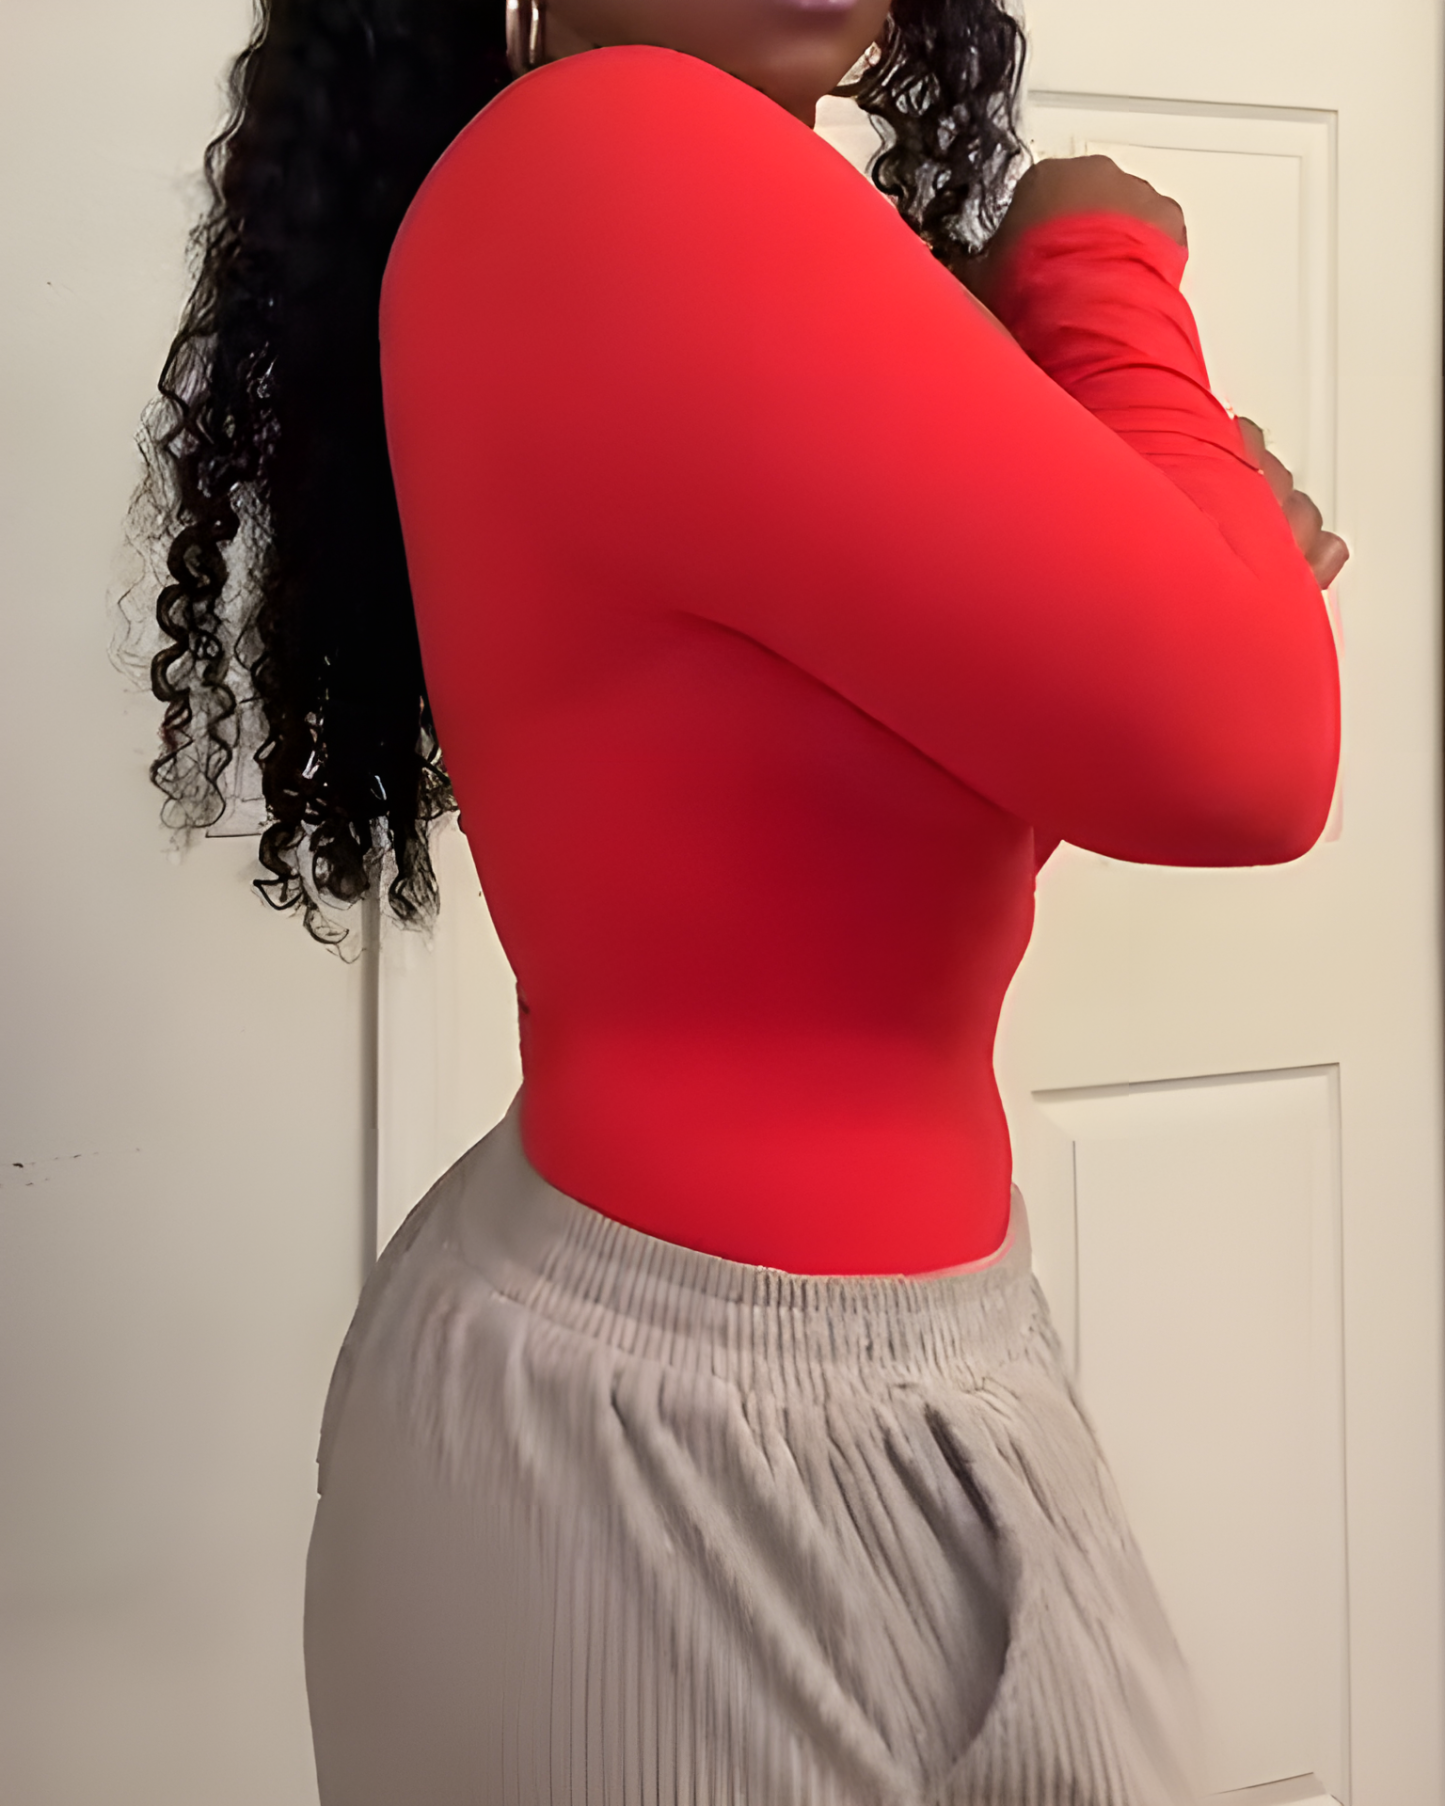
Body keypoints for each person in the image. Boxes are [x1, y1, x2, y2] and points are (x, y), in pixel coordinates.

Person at [141, 0, 1346, 1799]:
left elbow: (883, 837)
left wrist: (1180, 534)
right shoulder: (623, 158)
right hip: (701, 1438)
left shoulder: (664, 200)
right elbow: (1249, 749)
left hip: (736, 1368)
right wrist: (1096, 268)